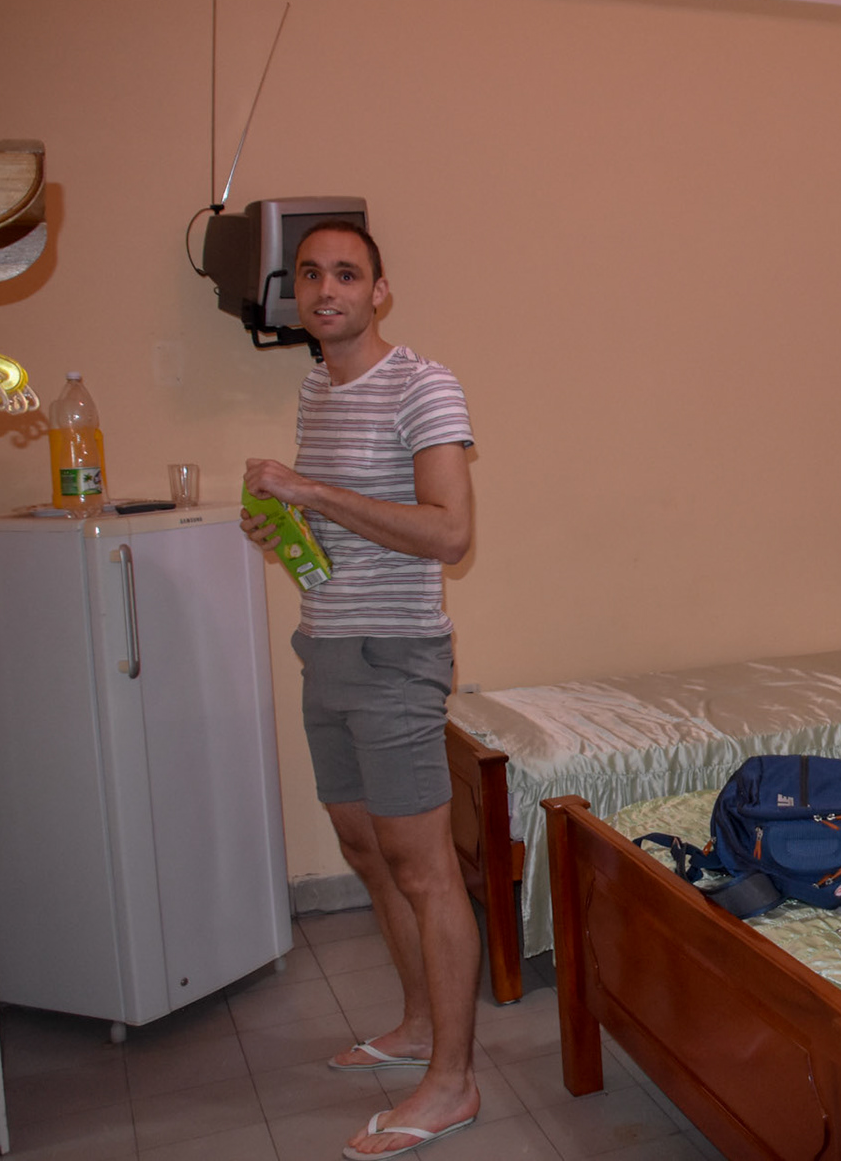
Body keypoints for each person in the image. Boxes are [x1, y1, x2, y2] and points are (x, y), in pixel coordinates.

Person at [241, 220, 480, 1159]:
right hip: (328, 646)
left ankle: (454, 1083)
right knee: (366, 851)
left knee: (425, 868)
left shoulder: (425, 385)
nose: (327, 289)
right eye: (311, 275)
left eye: (347, 274)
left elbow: (448, 533)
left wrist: (310, 493)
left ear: (380, 292)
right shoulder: (317, 386)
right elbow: (345, 526)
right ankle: (418, 1026)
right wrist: (284, 529)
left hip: (395, 656)